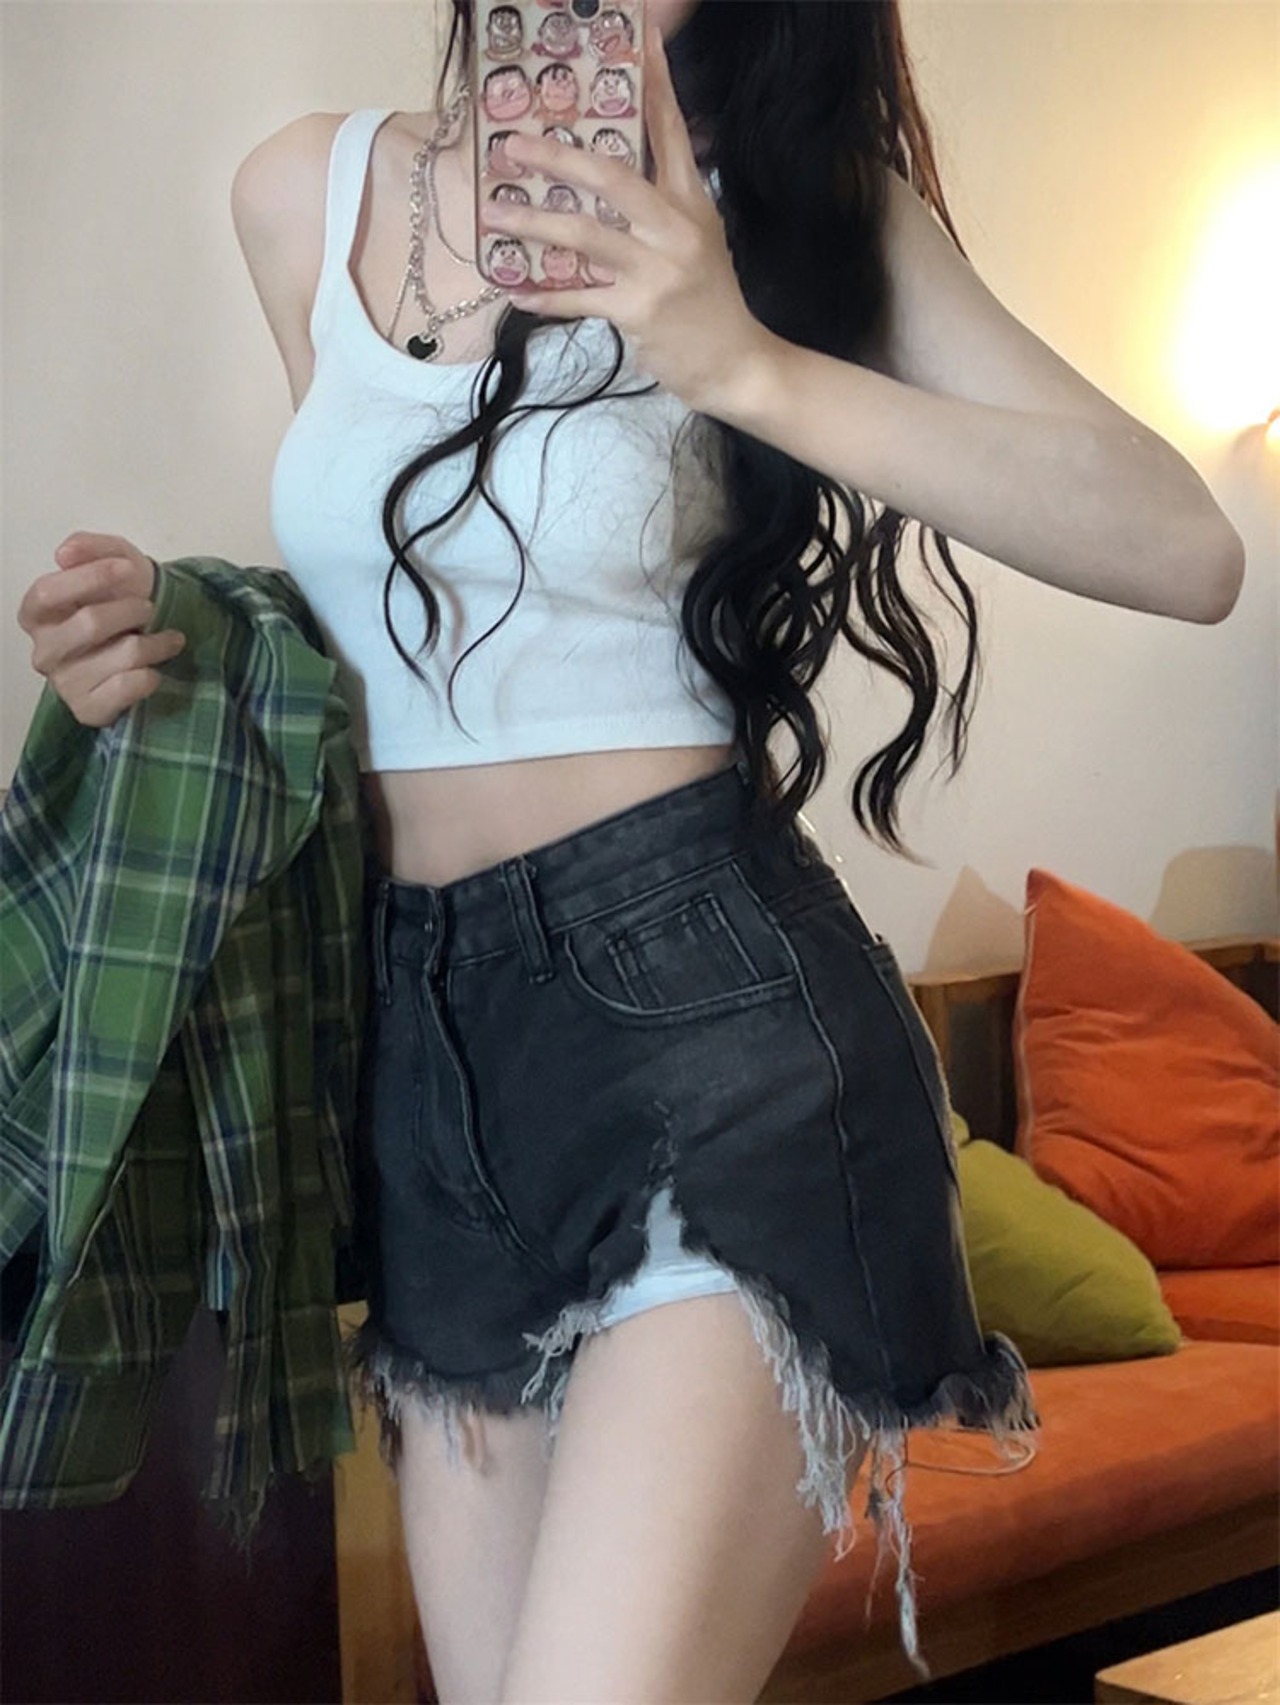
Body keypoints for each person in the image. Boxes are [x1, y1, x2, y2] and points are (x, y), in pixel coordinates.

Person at [18, 2, 1244, 1700]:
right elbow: (401, 619)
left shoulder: (803, 204)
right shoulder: (305, 192)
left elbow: (1185, 547)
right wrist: (181, 644)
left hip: (717, 1031)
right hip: (433, 1074)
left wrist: (740, 359)